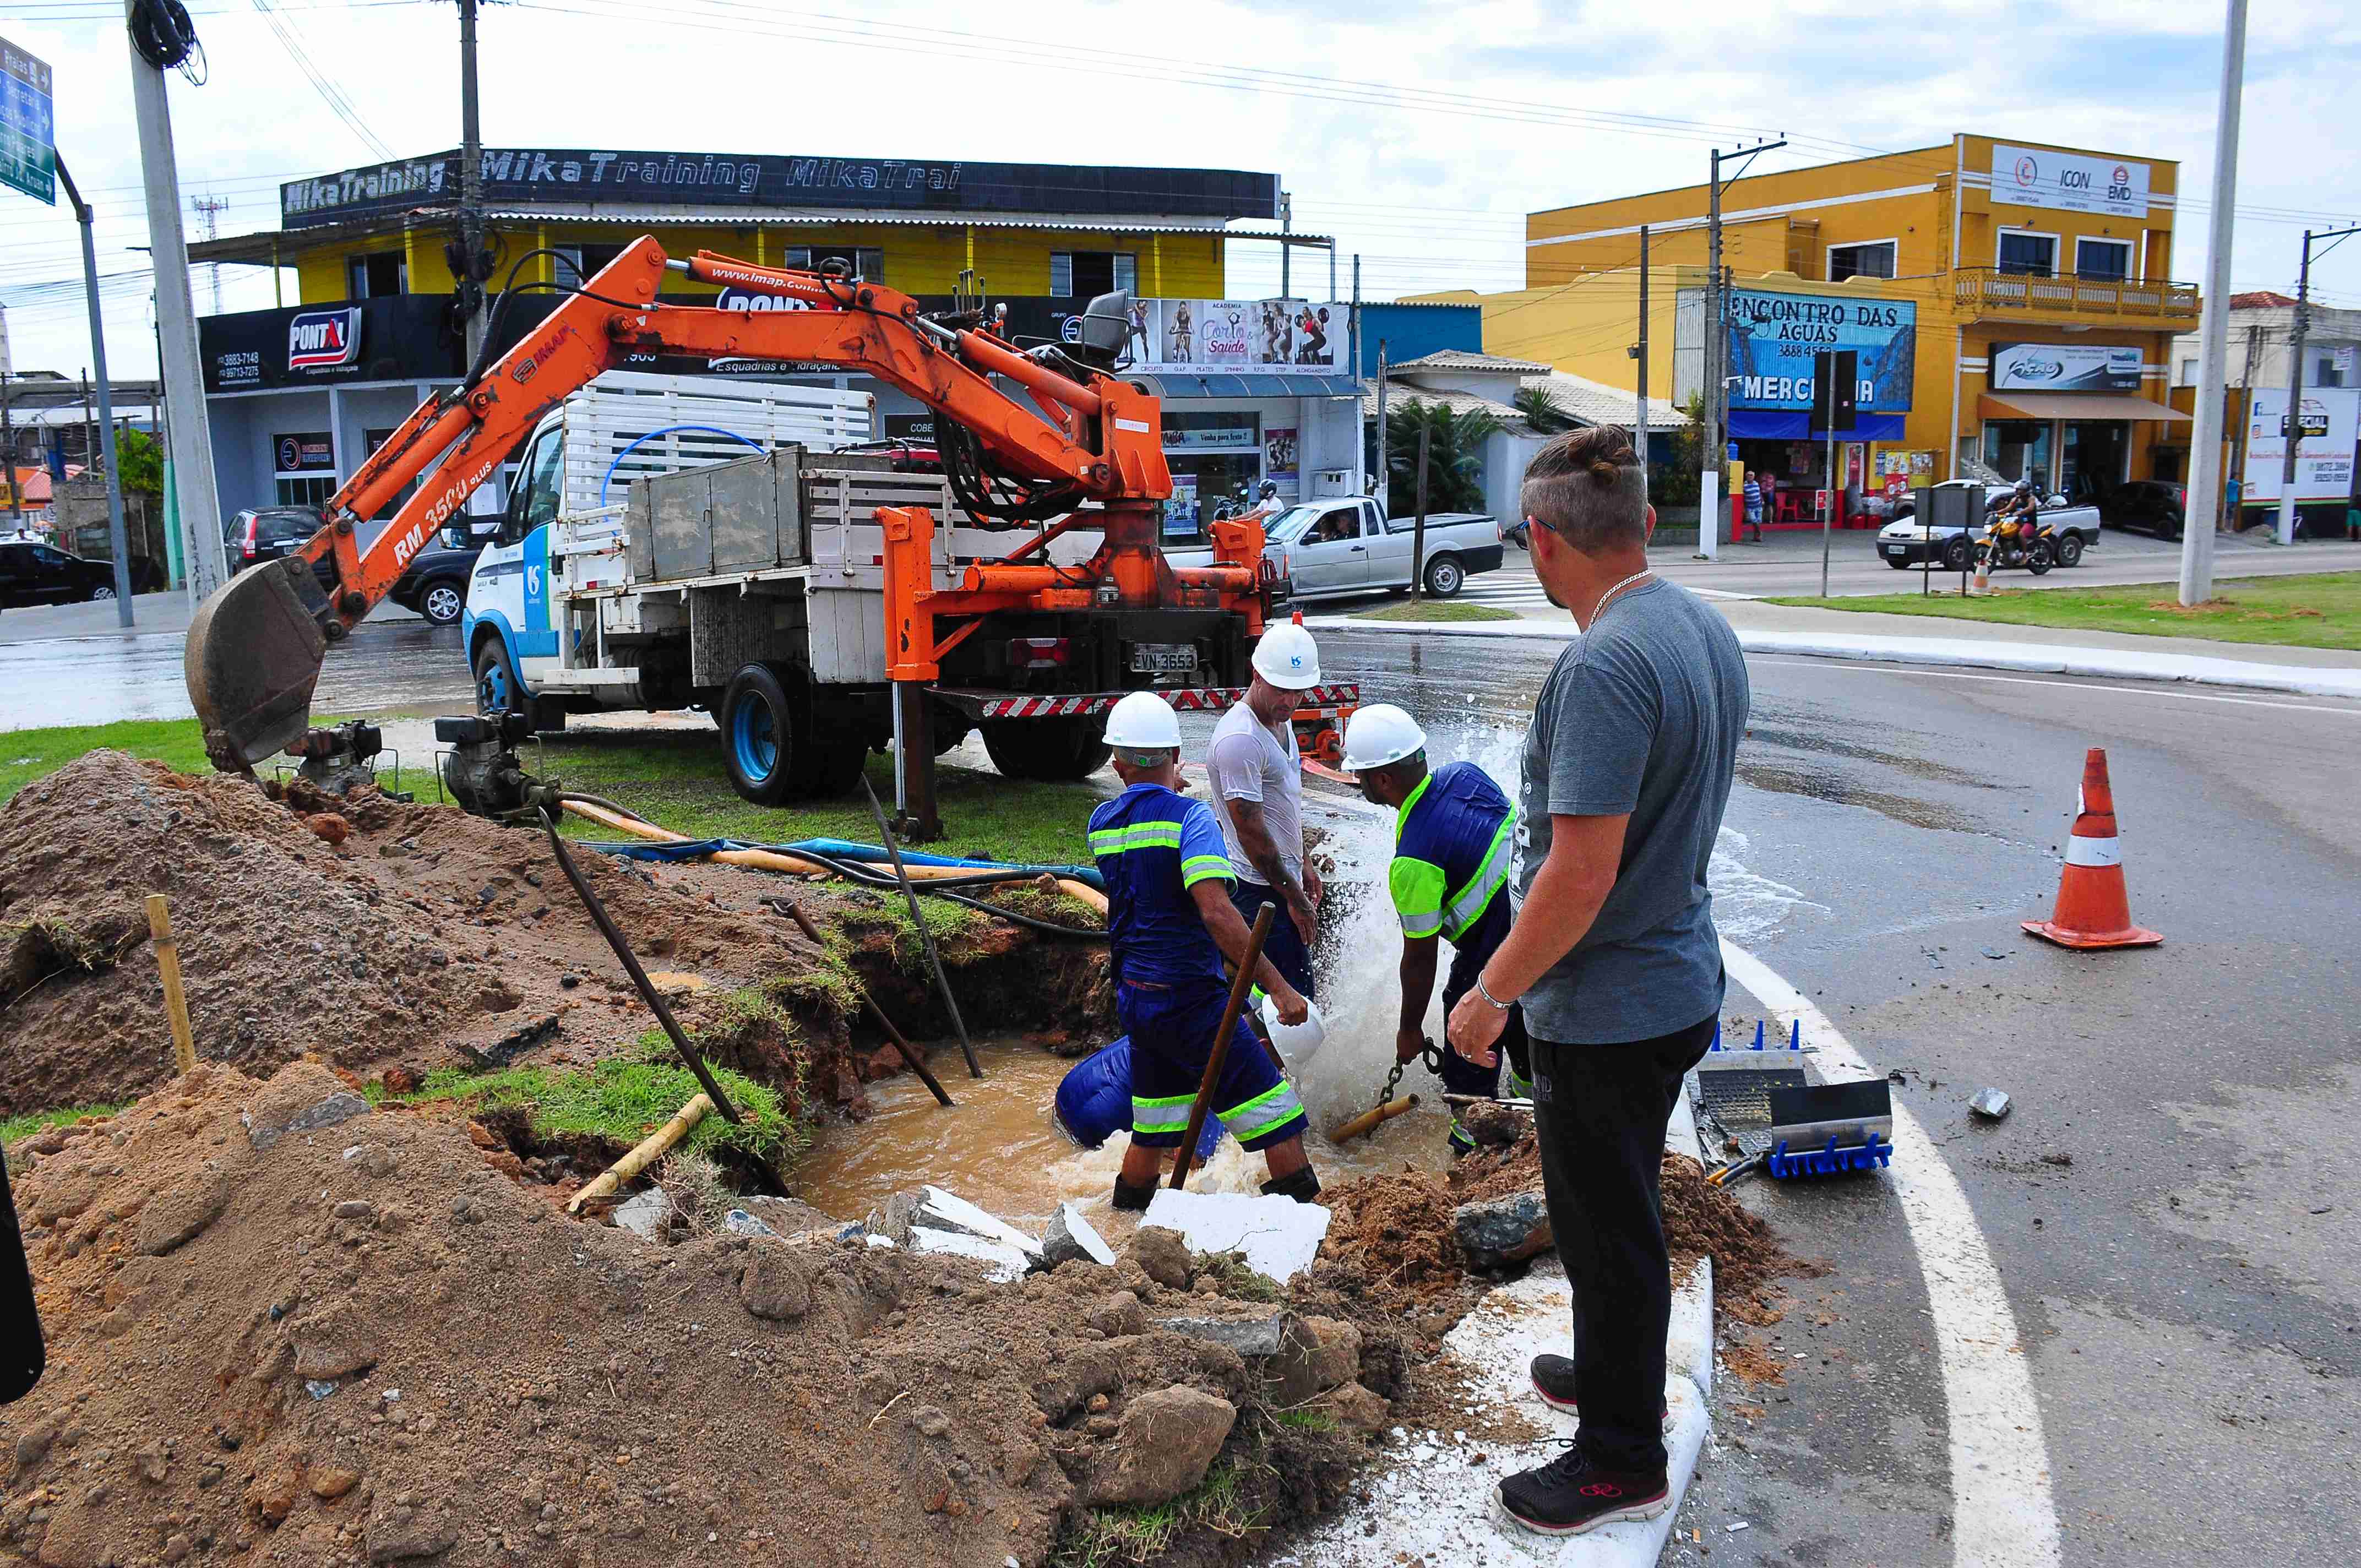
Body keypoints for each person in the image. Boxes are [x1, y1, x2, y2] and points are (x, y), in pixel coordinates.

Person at [1446, 427, 1748, 1538]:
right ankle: (1613, 1367)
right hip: (1671, 978)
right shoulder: (1697, 625)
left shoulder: (1602, 665)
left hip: (1607, 1008)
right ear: (1645, 527)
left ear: (1541, 540)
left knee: (1605, 1228)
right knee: (1611, 1216)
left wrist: (1487, 995)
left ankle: (1620, 1455)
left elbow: (1577, 874)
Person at [1091, 692, 1318, 1211]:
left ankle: (1123, 1222)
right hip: (1192, 1001)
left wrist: (1162, 789)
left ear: (1116, 764)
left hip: (1137, 1000)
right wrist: (1278, 988)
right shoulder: (1192, 820)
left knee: (1152, 1128)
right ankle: (1312, 1237)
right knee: (1278, 1117)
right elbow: (1216, 912)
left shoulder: (1101, 824)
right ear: (1177, 755)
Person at [1341, 703, 1531, 1156]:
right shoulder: (1467, 776)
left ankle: (1471, 1145)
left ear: (1382, 781)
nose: (1358, 782)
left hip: (1493, 944)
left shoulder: (1412, 861)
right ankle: (1529, 1103)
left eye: (1361, 775)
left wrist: (1409, 1030)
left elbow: (1420, 957)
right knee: (1524, 1018)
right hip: (1535, 924)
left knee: (1464, 1020)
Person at [1206, 620, 1325, 1002]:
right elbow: (1253, 836)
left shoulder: (1277, 719)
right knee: (1287, 1004)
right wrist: (1297, 900)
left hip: (1279, 881)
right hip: (1260, 892)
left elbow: (1282, 805)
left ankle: (1271, 1061)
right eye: (1281, 691)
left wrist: (1303, 859)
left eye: (1299, 692)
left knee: (1286, 1003)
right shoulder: (1242, 739)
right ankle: (1268, 1063)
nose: (1291, 702)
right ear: (1256, 675)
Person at [1055, 1037, 1226, 1168]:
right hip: (1097, 1123)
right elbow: (1191, 1158)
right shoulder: (1226, 1068)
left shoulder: (1206, 1019)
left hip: (1071, 1090)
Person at [1741, 470, 1764, 543]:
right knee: (1754, 521)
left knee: (1758, 522)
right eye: (1749, 475)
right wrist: (1744, 508)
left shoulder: (1756, 484)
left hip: (1759, 505)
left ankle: (1756, 537)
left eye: (1752, 475)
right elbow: (1743, 497)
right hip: (1750, 507)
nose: (1750, 476)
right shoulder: (1744, 486)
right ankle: (1760, 533)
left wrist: (1762, 500)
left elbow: (1759, 493)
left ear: (1754, 477)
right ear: (1746, 476)